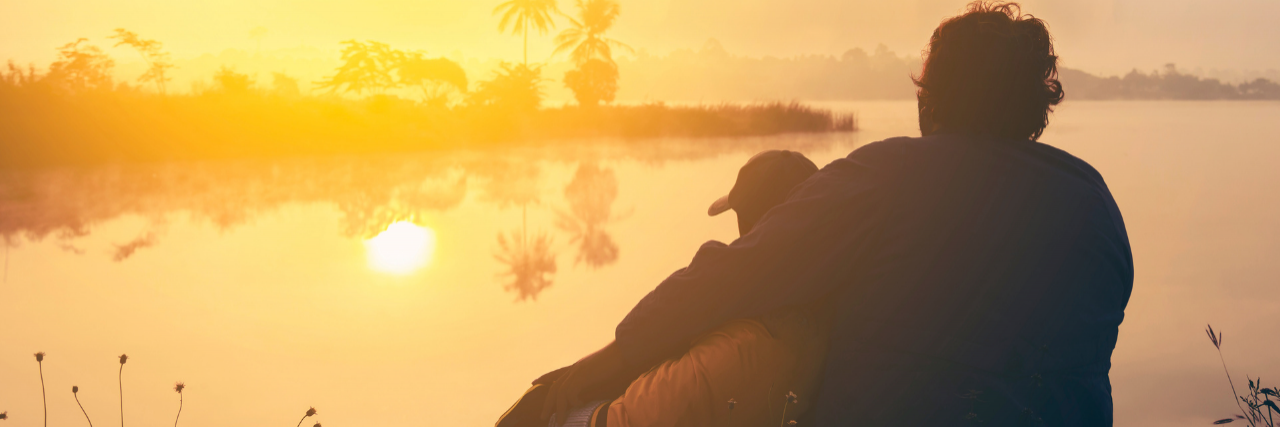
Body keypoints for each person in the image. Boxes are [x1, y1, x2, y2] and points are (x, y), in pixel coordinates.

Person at [540, 1, 1134, 425]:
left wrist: (574, 381)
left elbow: (725, 282)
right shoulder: (1096, 204)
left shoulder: (887, 176)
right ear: (1036, 105)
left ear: (932, 97)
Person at [497, 150, 832, 427]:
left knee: (536, 405)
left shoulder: (737, 340)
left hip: (629, 415)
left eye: (740, 218)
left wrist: (571, 387)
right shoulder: (816, 314)